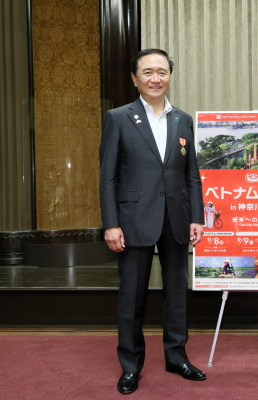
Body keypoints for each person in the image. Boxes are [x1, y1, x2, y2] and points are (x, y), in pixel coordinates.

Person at [99, 48, 206, 395]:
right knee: (132, 297)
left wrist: (197, 217)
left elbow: (192, 175)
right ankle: (130, 366)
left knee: (177, 294)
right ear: (135, 78)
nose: (155, 78)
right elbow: (108, 178)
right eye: (147, 72)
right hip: (133, 219)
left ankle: (176, 356)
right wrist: (111, 223)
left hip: (176, 219)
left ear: (169, 76)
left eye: (162, 72)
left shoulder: (182, 120)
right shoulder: (118, 118)